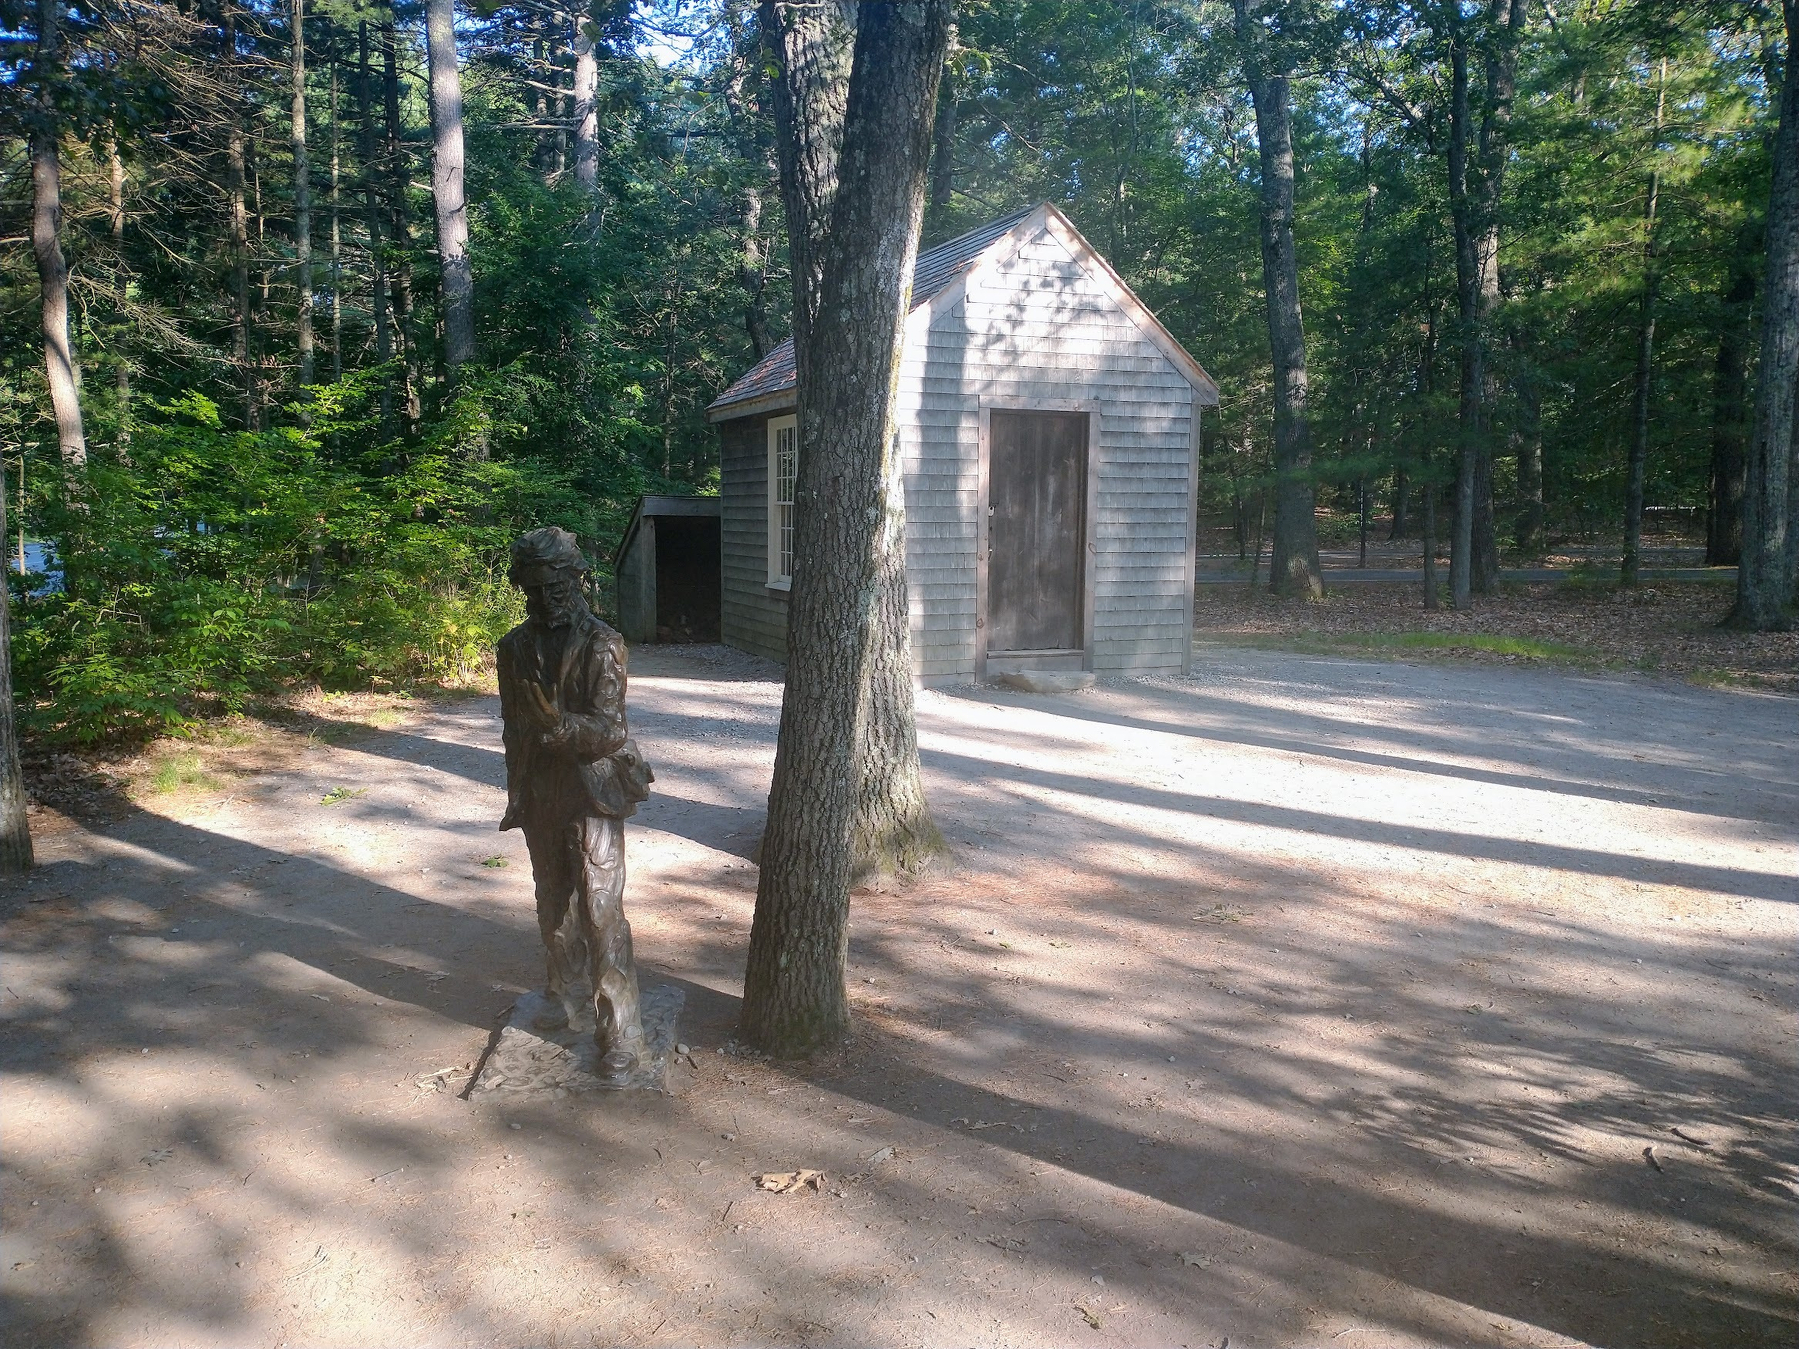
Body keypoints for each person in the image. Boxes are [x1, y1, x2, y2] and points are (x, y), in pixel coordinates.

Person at [497, 527, 653, 1080]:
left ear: (574, 580)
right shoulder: (512, 648)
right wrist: (518, 793)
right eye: (531, 589)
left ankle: (622, 1033)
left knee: (601, 910)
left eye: (552, 587)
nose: (542, 600)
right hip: (543, 792)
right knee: (553, 907)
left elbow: (610, 730)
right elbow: (514, 730)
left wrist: (561, 729)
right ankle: (561, 998)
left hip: (593, 793)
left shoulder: (602, 644)